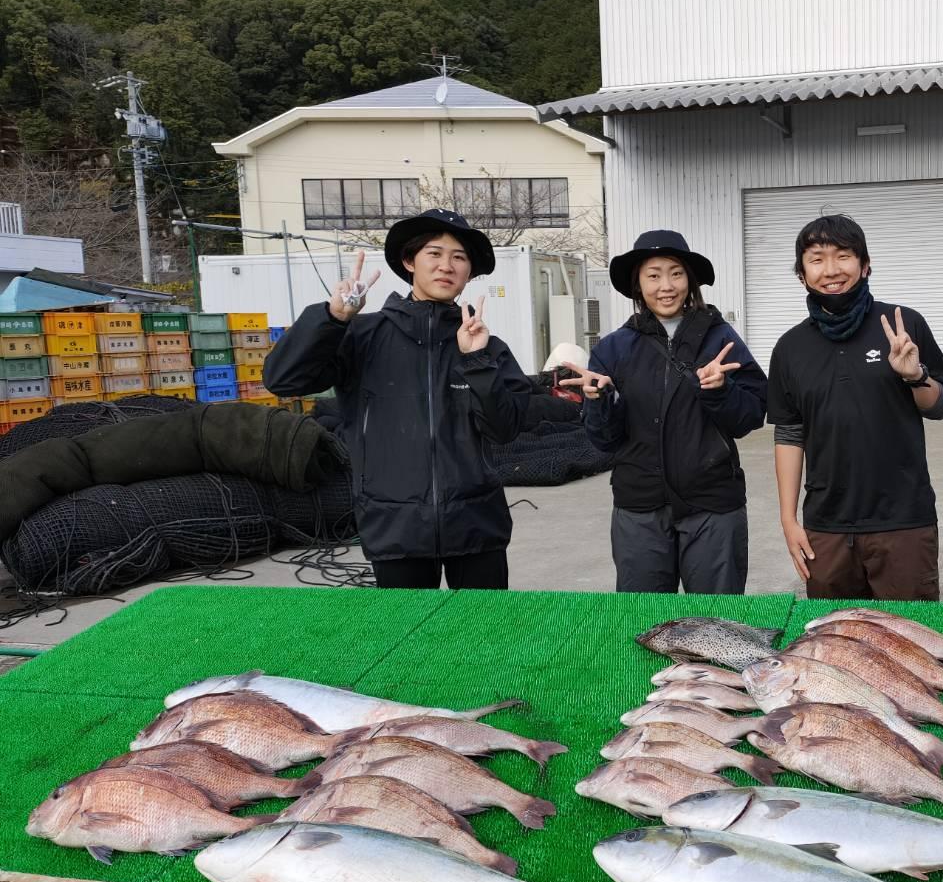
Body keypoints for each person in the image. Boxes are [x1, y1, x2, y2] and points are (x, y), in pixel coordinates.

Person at [264, 208, 532, 589]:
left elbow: (505, 427)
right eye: (434, 254)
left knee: (482, 642)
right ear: (409, 262)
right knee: (408, 642)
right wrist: (332, 317)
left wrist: (476, 362)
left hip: (476, 524)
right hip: (394, 526)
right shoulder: (362, 336)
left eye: (459, 257)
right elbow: (283, 379)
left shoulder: (486, 347)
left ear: (469, 271)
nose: (447, 266)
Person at [560, 230, 767, 594]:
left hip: (713, 503)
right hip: (639, 505)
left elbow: (750, 418)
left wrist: (721, 391)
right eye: (653, 275)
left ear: (690, 280)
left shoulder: (721, 339)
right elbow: (605, 441)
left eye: (676, 273)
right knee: (643, 620)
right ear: (638, 285)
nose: (666, 286)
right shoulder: (614, 348)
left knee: (715, 620)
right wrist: (598, 401)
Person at [767, 215, 943, 602]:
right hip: (827, 526)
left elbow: (940, 405)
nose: (831, 270)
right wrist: (788, 519)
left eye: (844, 256)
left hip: (903, 521)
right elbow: (789, 432)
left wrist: (914, 375)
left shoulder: (903, 326)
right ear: (802, 273)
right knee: (836, 645)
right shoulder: (789, 348)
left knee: (909, 638)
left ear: (865, 265)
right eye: (816, 259)